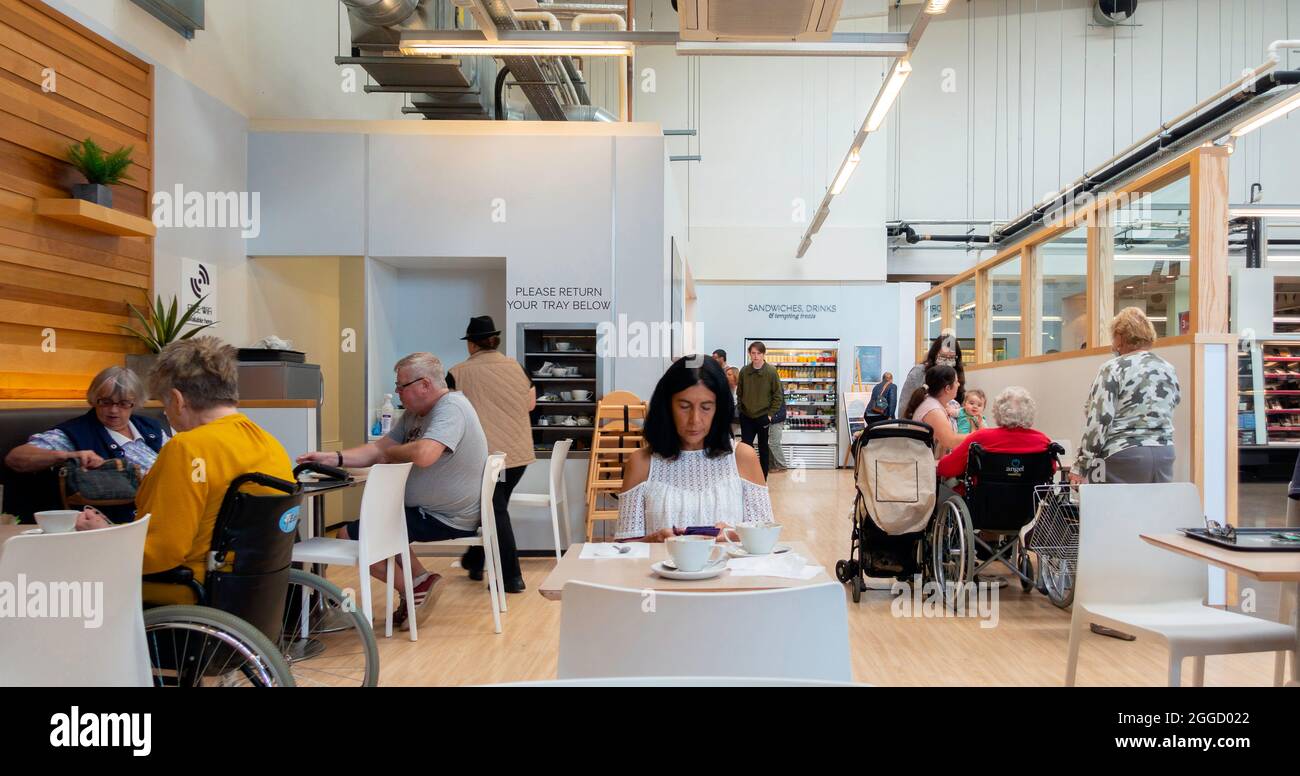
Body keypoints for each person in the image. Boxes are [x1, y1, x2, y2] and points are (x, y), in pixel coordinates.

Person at [72, 338, 294, 605]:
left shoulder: (187, 448)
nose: (166, 413)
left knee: (65, 582)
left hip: (189, 588)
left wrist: (102, 536)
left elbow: (160, 554)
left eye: (164, 404)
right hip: (249, 586)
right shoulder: (270, 444)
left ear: (177, 400)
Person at [299, 352, 489, 630]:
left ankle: (411, 590)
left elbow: (424, 454)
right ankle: (419, 582)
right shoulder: (415, 414)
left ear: (425, 384)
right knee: (374, 527)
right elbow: (377, 449)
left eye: (402, 386)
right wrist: (333, 458)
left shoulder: (451, 408)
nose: (397, 392)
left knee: (352, 536)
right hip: (425, 512)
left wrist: (390, 454)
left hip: (445, 516)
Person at [615, 356, 773, 541]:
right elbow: (624, 549)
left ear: (719, 409)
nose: (695, 420)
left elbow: (767, 537)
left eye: (706, 407)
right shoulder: (642, 463)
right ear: (667, 406)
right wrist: (654, 540)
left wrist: (735, 535)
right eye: (684, 407)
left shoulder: (742, 457)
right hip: (662, 569)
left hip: (728, 570)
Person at [5, 366, 168, 522]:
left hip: (165, 511)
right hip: (118, 524)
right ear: (94, 399)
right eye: (105, 402)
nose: (113, 410)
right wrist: (68, 455)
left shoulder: (150, 428)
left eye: (124, 403)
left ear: (135, 403)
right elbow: (16, 458)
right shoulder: (76, 433)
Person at [447, 316, 534, 594]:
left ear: (471, 345)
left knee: (495, 511)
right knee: (491, 509)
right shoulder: (517, 367)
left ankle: (511, 578)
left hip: (486, 458)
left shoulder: (457, 372)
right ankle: (475, 560)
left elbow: (448, 413)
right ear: (495, 341)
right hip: (518, 456)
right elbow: (530, 403)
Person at [1069, 307, 1181, 486]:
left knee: (1116, 512)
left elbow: (1099, 420)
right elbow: (1174, 402)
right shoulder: (1167, 368)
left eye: (1113, 337)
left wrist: (1081, 465)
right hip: (1164, 452)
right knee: (1154, 511)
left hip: (1123, 454)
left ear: (1120, 337)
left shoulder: (1113, 368)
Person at [938, 387, 1054, 482]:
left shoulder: (980, 437)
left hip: (986, 502)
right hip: (1030, 505)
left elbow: (945, 468)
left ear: (997, 411)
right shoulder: (1043, 441)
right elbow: (1051, 469)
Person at [736, 341, 783, 478]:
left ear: (763, 354)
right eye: (753, 353)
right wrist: (741, 410)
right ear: (749, 354)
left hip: (763, 416)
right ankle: (746, 476)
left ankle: (763, 478)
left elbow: (777, 395)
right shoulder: (744, 371)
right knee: (746, 448)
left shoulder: (771, 371)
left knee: (763, 448)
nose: (756, 356)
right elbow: (739, 392)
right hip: (746, 416)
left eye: (759, 353)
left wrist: (770, 415)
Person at [903, 365, 966, 458]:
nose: (959, 384)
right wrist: (979, 435)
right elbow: (950, 441)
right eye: (956, 382)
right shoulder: (933, 410)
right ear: (947, 388)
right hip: (926, 467)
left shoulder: (940, 404)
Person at [901, 335, 967, 413]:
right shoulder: (919, 372)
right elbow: (904, 406)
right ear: (934, 355)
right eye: (943, 356)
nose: (947, 362)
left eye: (951, 358)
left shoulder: (956, 375)